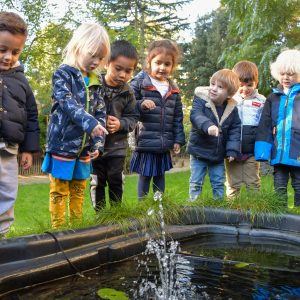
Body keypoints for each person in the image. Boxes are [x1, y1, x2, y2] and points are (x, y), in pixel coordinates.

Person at [42, 23, 110, 228]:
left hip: (84, 150)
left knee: (79, 189)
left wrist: (98, 143)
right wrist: (90, 123)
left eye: (100, 58)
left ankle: (76, 229)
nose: (96, 61)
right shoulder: (63, 74)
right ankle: (59, 230)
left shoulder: (95, 81)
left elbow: (100, 113)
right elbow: (67, 103)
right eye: (93, 55)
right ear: (78, 47)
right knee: (60, 190)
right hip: (63, 145)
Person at [0, 12, 40, 237]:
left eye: (15, 52)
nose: (8, 57)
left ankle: (2, 238)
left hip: (9, 148)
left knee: (6, 193)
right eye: (2, 49)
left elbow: (31, 116)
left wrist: (28, 149)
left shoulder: (21, 81)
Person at [130, 39, 185, 200]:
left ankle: (159, 206)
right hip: (146, 141)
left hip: (163, 142)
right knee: (145, 175)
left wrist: (178, 139)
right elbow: (127, 105)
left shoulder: (173, 89)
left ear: (172, 66)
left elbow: (177, 117)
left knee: (160, 176)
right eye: (158, 62)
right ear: (149, 62)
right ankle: (143, 208)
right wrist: (141, 104)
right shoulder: (140, 82)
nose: (162, 67)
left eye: (167, 64)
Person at [90, 40, 139, 211]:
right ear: (108, 63)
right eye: (118, 68)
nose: (123, 75)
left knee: (116, 179)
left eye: (128, 71)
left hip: (117, 147)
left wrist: (121, 124)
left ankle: (117, 213)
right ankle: (101, 215)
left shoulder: (128, 93)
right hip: (97, 146)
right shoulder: (95, 86)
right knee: (98, 181)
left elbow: (133, 118)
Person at [255, 49, 300, 208]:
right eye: (283, 73)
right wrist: (262, 150)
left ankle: (297, 213)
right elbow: (265, 124)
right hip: (278, 150)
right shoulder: (273, 98)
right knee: (279, 183)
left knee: (298, 184)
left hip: (297, 150)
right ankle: (281, 212)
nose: (286, 77)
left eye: (291, 74)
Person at [187, 69, 241, 201]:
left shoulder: (232, 109)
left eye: (220, 87)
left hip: (217, 155)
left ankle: (219, 208)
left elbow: (235, 130)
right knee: (196, 182)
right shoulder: (200, 100)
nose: (214, 89)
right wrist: (208, 125)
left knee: (218, 183)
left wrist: (232, 150)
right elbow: (196, 116)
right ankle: (194, 207)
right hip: (199, 151)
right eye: (212, 84)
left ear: (230, 93)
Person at [225, 61, 265, 198]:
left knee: (252, 182)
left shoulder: (261, 101)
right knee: (232, 184)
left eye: (250, 85)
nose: (245, 89)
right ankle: (231, 213)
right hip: (232, 150)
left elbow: (265, 123)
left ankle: (255, 212)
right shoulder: (228, 100)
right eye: (241, 85)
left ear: (256, 83)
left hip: (252, 151)